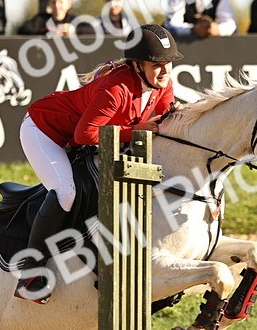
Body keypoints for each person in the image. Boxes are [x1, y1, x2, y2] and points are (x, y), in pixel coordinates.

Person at [13, 23, 181, 303]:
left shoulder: (163, 86)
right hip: (44, 131)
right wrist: (136, 130)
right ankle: (30, 273)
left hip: (84, 136)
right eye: (156, 65)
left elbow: (166, 123)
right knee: (67, 192)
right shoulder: (116, 88)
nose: (164, 71)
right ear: (137, 66)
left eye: (168, 64)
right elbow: (85, 135)